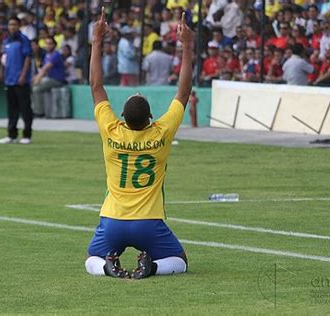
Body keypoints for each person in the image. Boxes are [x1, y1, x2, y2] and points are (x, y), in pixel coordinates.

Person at [85, 8, 193, 279]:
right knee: (179, 261)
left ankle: (108, 268)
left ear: (122, 117)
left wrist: (97, 40)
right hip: (148, 221)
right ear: (151, 117)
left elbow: (96, 86)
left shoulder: (111, 131)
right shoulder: (161, 133)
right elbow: (183, 92)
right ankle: (152, 266)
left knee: (92, 260)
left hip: (112, 220)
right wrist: (187, 46)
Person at [0, 16, 33, 145]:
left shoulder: (23, 40)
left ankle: (27, 135)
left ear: (19, 26)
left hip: (20, 80)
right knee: (12, 109)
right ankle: (11, 135)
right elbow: (4, 58)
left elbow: (28, 58)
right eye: (10, 24)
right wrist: (1, 71)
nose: (12, 27)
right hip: (9, 79)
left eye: (14, 24)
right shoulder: (6, 41)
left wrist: (23, 75)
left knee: (25, 108)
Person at [31, 36, 66, 117]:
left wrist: (37, 79)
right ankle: (34, 109)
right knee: (31, 84)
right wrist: (35, 78)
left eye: (50, 44)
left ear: (54, 45)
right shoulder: (47, 55)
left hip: (58, 80)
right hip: (49, 79)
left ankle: (39, 112)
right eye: (47, 44)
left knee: (36, 88)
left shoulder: (56, 55)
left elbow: (45, 69)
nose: (48, 46)